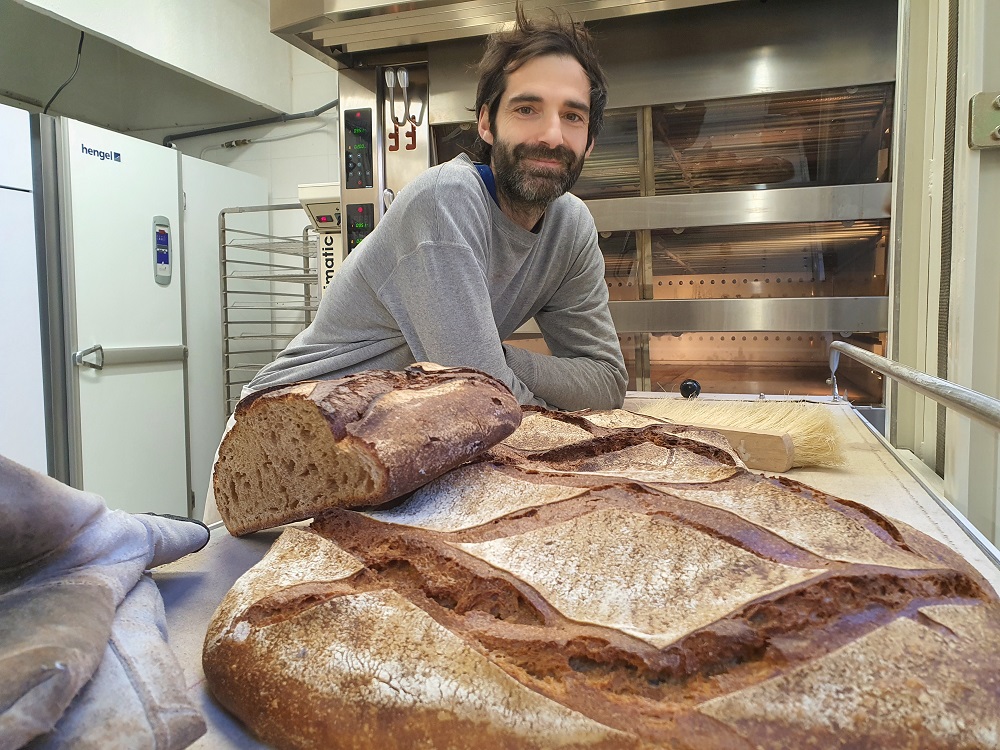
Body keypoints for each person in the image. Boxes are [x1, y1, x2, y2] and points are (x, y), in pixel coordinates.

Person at [246, 5, 626, 412]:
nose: (552, 135)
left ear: (589, 142)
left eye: (572, 115)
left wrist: (503, 361)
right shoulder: (445, 199)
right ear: (486, 123)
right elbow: (483, 403)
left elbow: (605, 383)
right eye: (526, 109)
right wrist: (489, 372)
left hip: (399, 423)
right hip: (289, 419)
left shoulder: (570, 227)